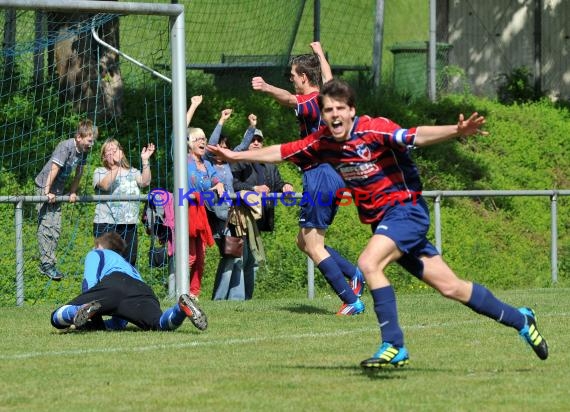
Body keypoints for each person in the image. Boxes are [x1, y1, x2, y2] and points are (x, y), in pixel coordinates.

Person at [208, 78, 549, 367]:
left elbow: (416, 135)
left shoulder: (374, 128)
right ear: (323, 115)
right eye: (328, 109)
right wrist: (236, 155)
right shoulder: (323, 142)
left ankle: (395, 344)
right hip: (386, 223)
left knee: (369, 262)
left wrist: (456, 132)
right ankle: (522, 319)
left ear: (352, 110)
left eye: (341, 108)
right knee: (451, 287)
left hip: (406, 212)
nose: (335, 114)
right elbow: (281, 151)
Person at [252, 42, 365, 315]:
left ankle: (351, 300)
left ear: (304, 77)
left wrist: (267, 88)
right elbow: (328, 77)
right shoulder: (330, 98)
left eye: (293, 76)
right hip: (331, 174)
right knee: (304, 242)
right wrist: (321, 54)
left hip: (320, 174)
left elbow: (290, 100)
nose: (292, 81)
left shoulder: (312, 101)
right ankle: (354, 275)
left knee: (313, 245)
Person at [50, 231, 207, 332]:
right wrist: (99, 325)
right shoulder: (129, 266)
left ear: (99, 245)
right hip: (143, 290)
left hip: (113, 283)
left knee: (55, 317)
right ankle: (180, 308)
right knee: (159, 324)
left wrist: (87, 319)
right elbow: (120, 323)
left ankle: (73, 312)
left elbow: (89, 284)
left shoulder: (97, 253)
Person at [231, 127, 294, 300]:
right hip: (241, 217)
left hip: (260, 218)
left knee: (252, 262)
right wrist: (253, 189)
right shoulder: (239, 161)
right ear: (246, 142)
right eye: (253, 140)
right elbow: (233, 185)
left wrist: (286, 186)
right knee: (240, 260)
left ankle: (247, 299)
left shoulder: (269, 164)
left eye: (259, 140)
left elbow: (278, 183)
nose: (256, 143)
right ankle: (235, 299)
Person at [34, 119, 98, 280]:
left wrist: (73, 192)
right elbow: (54, 168)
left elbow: (79, 173)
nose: (91, 144)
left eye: (93, 141)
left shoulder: (84, 151)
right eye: (89, 140)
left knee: (55, 228)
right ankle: (46, 264)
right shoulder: (66, 146)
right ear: (79, 137)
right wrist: (46, 191)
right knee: (46, 226)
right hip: (44, 186)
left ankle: (49, 263)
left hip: (58, 193)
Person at [205, 109, 256, 300]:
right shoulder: (209, 165)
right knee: (229, 256)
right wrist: (221, 120)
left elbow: (243, 146)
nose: (221, 150)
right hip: (218, 217)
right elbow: (210, 144)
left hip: (233, 215)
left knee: (236, 255)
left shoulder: (228, 164)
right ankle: (219, 298)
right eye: (220, 147)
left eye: (224, 147)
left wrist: (251, 127)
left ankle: (236, 297)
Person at [93, 138, 155, 265]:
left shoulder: (133, 171)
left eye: (115, 149)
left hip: (129, 224)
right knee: (106, 262)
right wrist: (116, 166)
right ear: (104, 157)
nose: (112, 152)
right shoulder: (100, 171)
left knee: (129, 262)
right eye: (108, 151)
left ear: (121, 152)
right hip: (106, 224)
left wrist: (145, 160)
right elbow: (105, 185)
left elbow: (145, 182)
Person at [186, 96, 224, 298]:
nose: (203, 141)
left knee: (200, 258)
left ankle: (194, 294)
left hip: (201, 213)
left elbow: (216, 179)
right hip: (186, 212)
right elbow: (180, 131)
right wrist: (193, 106)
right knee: (189, 257)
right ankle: (180, 291)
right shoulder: (184, 160)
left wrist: (218, 184)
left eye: (204, 139)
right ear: (190, 143)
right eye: (198, 139)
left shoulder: (207, 165)